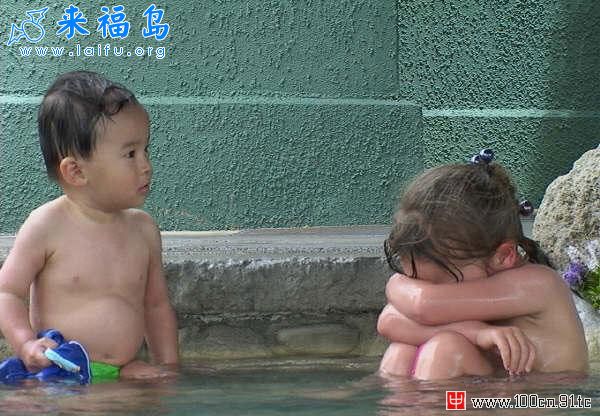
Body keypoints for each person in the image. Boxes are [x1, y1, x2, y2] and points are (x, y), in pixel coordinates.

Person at [0, 71, 179, 382]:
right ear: (76, 171)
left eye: (146, 150)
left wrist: (169, 368)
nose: (146, 165)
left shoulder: (144, 229)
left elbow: (156, 306)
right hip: (61, 373)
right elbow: (7, 292)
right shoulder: (46, 226)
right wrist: (26, 344)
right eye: (130, 154)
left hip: (123, 370)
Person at [377, 150, 588, 380]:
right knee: (401, 351)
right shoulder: (476, 289)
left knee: (447, 350)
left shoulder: (538, 285)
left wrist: (396, 284)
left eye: (440, 284)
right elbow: (388, 321)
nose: (429, 289)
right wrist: (476, 333)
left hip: (541, 396)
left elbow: (422, 305)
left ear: (503, 256)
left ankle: (424, 401)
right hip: (492, 392)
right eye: (416, 282)